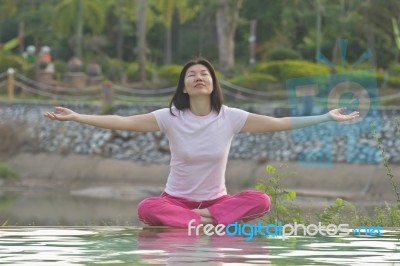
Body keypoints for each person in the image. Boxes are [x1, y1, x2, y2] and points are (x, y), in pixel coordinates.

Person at [43, 57, 359, 228]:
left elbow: (278, 124)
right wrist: (78, 117)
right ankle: (206, 222)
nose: (199, 77)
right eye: (192, 74)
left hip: (217, 202)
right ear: (183, 85)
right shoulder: (169, 116)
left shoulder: (230, 117)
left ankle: (202, 220)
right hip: (175, 202)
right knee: (147, 208)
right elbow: (123, 121)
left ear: (212, 83)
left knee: (261, 200)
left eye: (204, 74)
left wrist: (326, 117)